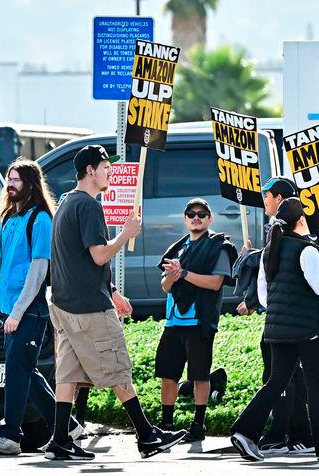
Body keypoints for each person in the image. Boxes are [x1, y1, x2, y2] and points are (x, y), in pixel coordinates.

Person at [46, 145, 186, 461]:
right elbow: (98, 255)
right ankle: (147, 436)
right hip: (89, 308)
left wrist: (111, 289)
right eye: (106, 166)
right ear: (91, 170)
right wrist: (125, 234)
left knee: (67, 374)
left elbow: (77, 259)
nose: (110, 171)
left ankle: (59, 440)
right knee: (117, 367)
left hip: (64, 306)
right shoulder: (89, 207)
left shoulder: (67, 203)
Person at [0, 158, 81, 455]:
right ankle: (68, 427)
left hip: (28, 310)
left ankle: (10, 436)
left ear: (30, 184)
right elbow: (2, 265)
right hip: (9, 308)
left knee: (17, 372)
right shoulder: (9, 219)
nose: (11, 184)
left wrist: (17, 313)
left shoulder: (41, 220)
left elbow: (39, 270)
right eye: (9, 178)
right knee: (26, 371)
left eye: (16, 179)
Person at [230, 198, 319, 463]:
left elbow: (263, 298)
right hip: (309, 330)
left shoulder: (269, 250)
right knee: (315, 389)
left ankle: (244, 431)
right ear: (301, 220)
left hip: (277, 330)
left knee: (276, 382)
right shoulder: (307, 250)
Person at [156, 198, 237, 442]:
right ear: (185, 219)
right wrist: (173, 276)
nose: (196, 217)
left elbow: (215, 283)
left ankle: (198, 426)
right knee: (168, 374)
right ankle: (166, 423)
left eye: (202, 214)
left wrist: (184, 273)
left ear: (210, 219)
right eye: (191, 214)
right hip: (173, 322)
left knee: (200, 375)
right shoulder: (178, 248)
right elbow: (165, 286)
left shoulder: (218, 247)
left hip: (199, 320)